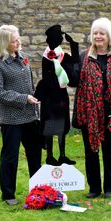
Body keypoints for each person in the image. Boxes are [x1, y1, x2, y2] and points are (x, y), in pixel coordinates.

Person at [72, 17, 111, 198]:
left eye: (102, 33)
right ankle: (94, 188)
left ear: (109, 36)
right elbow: (74, 80)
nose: (98, 36)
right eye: (95, 33)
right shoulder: (83, 56)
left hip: (110, 110)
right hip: (89, 111)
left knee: (110, 150)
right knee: (91, 151)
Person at [0, 25, 41, 205]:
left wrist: (36, 96)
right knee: (10, 157)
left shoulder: (23, 58)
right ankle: (8, 194)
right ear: (4, 43)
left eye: (19, 38)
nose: (18, 42)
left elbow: (30, 84)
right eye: (14, 40)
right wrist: (24, 98)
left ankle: (38, 190)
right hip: (11, 119)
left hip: (30, 116)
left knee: (35, 155)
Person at [34, 24, 79, 166]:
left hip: (61, 96)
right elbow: (47, 76)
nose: (61, 39)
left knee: (61, 125)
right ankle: (50, 156)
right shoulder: (46, 56)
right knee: (49, 126)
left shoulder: (63, 55)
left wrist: (73, 44)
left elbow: (75, 62)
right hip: (49, 96)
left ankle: (62, 155)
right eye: (59, 36)